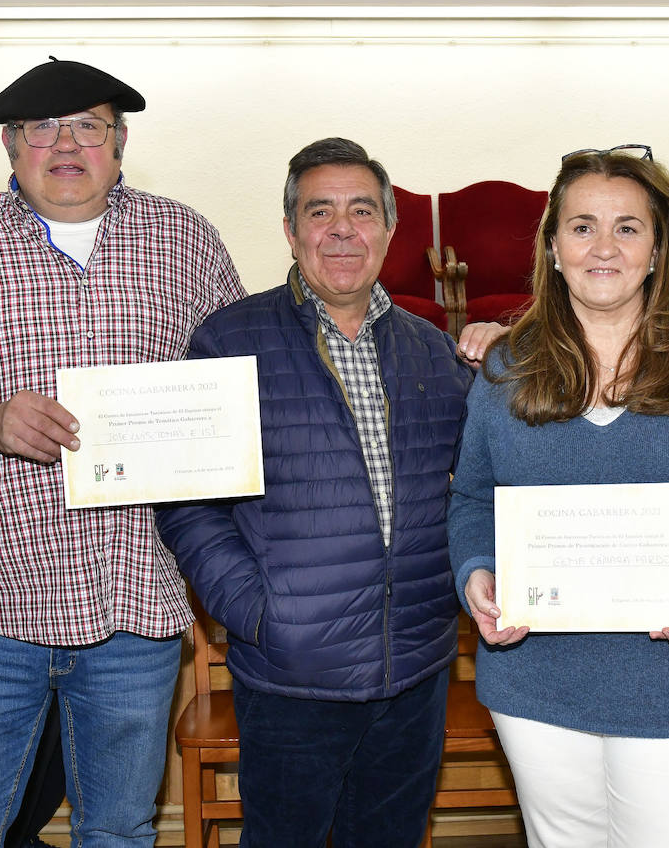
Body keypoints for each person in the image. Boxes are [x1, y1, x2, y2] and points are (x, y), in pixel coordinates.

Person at [0, 58, 245, 846]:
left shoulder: (184, 238)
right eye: (42, 128)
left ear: (119, 143)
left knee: (119, 830)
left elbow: (235, 388)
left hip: (136, 602)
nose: (66, 144)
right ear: (12, 146)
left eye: (88, 124)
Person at [448, 146, 669, 848]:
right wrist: (476, 570)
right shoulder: (508, 364)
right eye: (582, 226)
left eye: (628, 227)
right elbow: (474, 496)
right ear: (553, 245)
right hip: (536, 675)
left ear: (658, 248)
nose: (604, 246)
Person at [153, 137, 477, 848]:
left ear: (390, 229)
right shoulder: (228, 338)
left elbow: (475, 488)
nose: (340, 228)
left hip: (415, 668)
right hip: (292, 676)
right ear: (291, 230)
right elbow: (185, 498)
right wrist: (255, 608)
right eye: (318, 210)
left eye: (361, 211)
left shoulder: (432, 349)